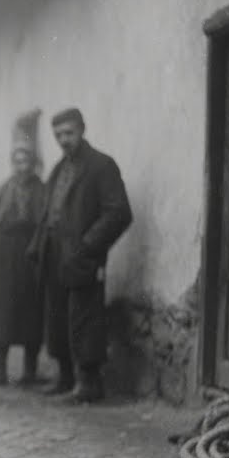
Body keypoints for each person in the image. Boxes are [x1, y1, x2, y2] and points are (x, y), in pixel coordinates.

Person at [28, 108, 132, 403]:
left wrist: (88, 245)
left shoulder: (101, 166)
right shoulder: (59, 169)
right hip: (55, 254)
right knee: (57, 316)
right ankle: (65, 378)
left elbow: (119, 213)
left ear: (82, 130)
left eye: (69, 133)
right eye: (58, 135)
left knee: (84, 318)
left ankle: (89, 384)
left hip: (83, 256)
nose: (64, 140)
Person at [0, 141, 46, 386]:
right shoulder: (3, 190)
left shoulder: (42, 190)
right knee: (2, 313)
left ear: (33, 164)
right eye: (17, 162)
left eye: (26, 162)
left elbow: (46, 223)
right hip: (5, 260)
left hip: (31, 257)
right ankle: (0, 370)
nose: (21, 168)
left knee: (32, 314)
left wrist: (38, 252)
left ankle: (30, 371)